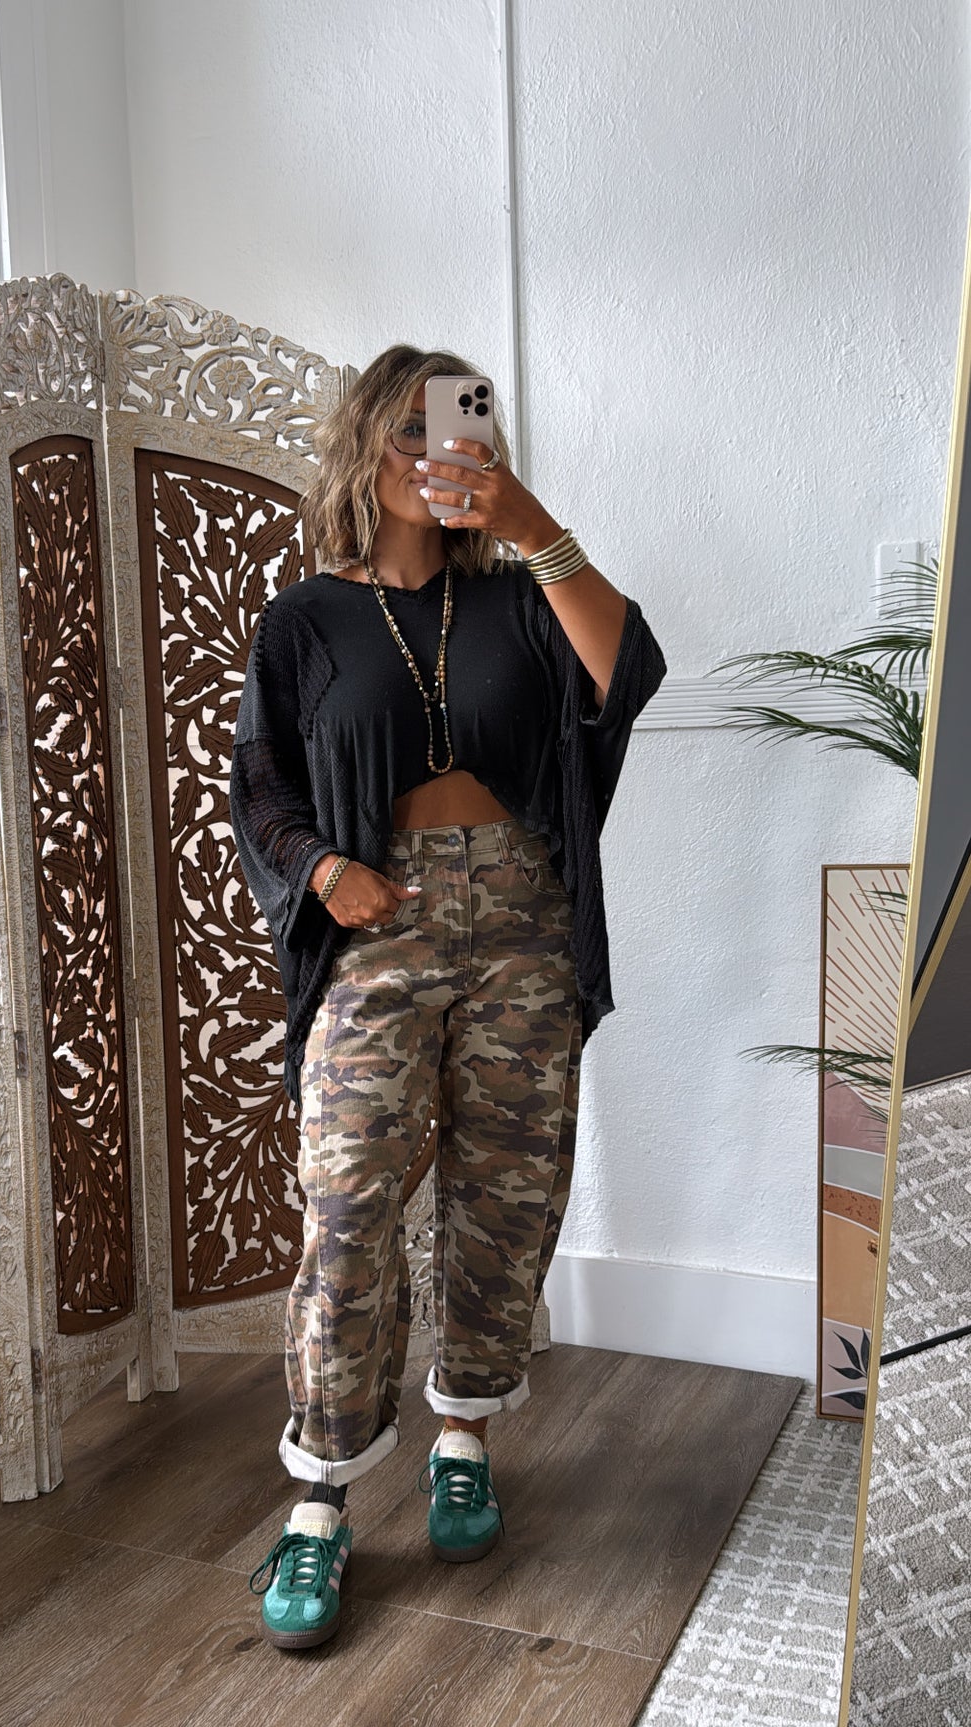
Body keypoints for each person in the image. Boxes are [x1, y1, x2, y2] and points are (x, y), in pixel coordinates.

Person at [230, 344, 666, 1650]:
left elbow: (625, 670)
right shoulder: (304, 620)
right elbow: (262, 789)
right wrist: (325, 871)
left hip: (524, 918)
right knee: (348, 1207)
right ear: (368, 439)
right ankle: (320, 1497)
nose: (434, 452)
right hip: (380, 920)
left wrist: (527, 522)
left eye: (457, 429)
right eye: (412, 429)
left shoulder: (522, 599)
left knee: (506, 1192)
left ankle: (464, 1434)